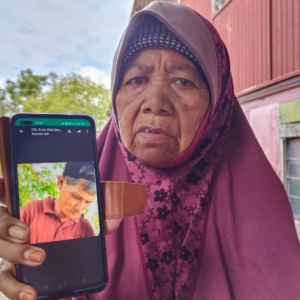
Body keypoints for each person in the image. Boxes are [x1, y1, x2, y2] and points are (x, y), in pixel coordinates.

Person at [0, 2, 300, 300]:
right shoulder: (84, 194)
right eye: (136, 80)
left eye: (182, 81)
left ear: (217, 103)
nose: (155, 101)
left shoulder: (258, 206)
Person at [20, 162, 96, 244]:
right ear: (61, 182)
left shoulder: (86, 230)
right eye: (76, 197)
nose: (80, 208)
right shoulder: (31, 210)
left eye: (88, 202)